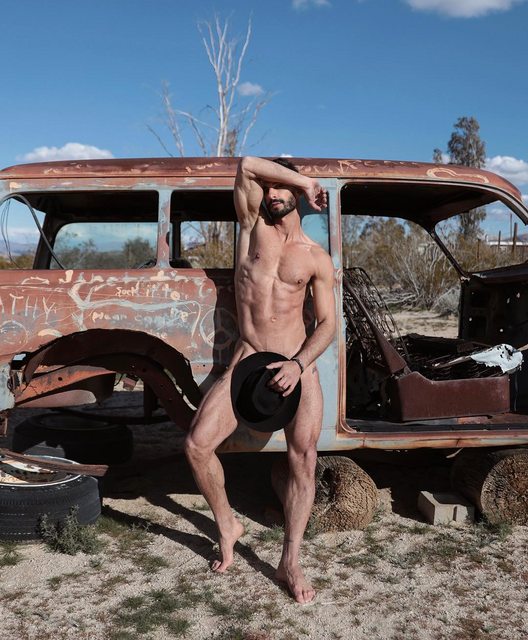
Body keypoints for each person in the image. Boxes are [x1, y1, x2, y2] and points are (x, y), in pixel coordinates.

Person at [184, 156, 336, 604]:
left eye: (279, 187)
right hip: (248, 359)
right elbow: (248, 165)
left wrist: (298, 364)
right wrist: (305, 181)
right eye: (269, 187)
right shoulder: (252, 227)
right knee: (196, 445)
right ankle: (228, 524)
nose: (271, 193)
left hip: (295, 364)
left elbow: (327, 324)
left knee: (303, 459)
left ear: (296, 198)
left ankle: (291, 560)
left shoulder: (316, 257)